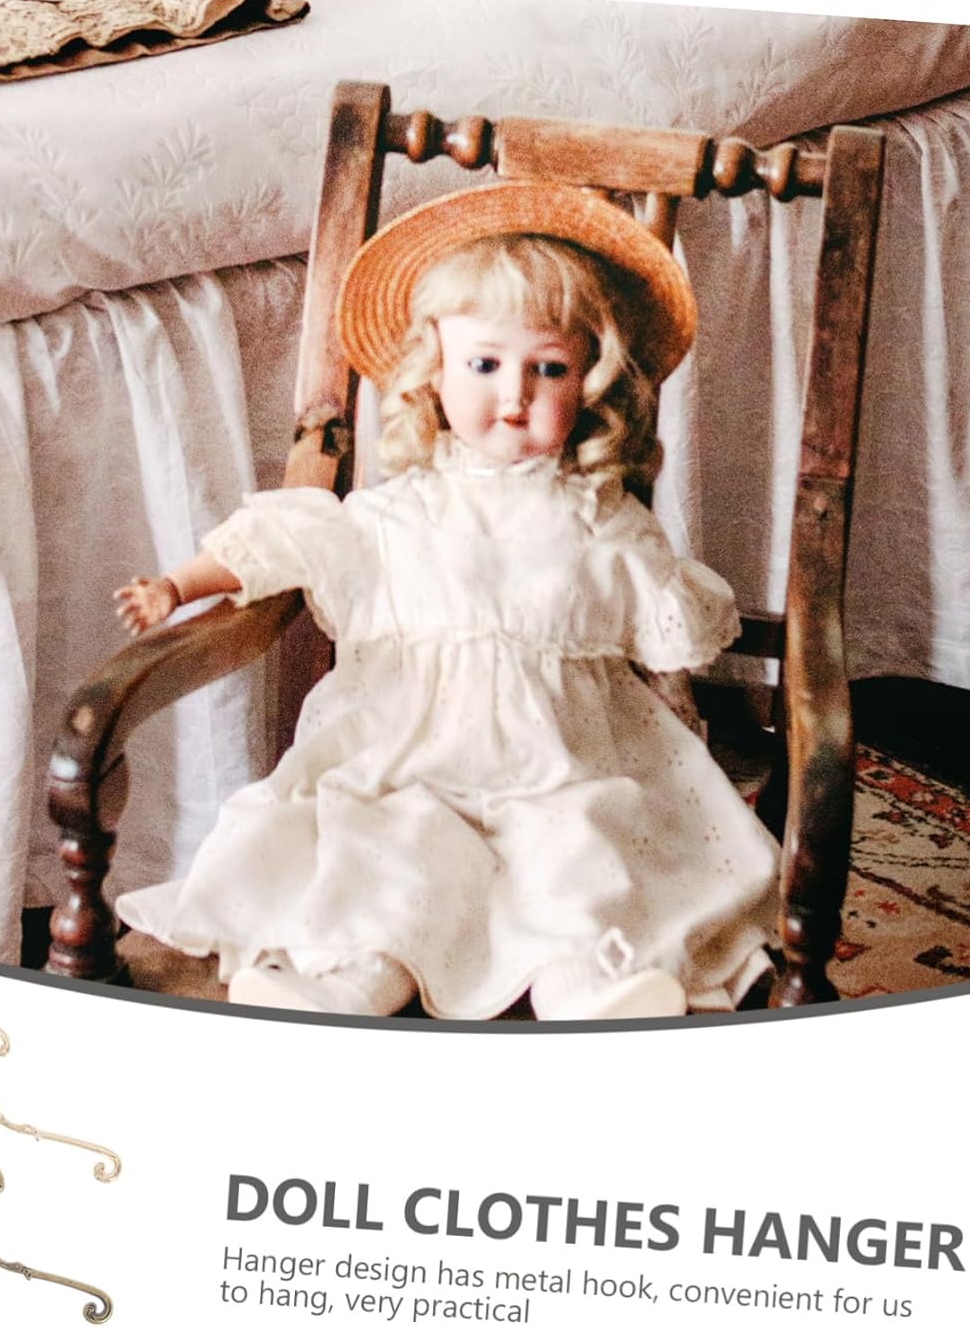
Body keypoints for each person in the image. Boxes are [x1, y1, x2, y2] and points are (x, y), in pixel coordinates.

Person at [110, 181, 779, 1021]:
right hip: (410, 764)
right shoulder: (398, 514)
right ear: (435, 371)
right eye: (485, 364)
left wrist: (671, 638)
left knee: (580, 855)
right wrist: (179, 584)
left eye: (548, 368)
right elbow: (287, 540)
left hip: (564, 764)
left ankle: (592, 991)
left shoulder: (599, 517)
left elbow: (672, 623)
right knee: (393, 855)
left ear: (588, 380)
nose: (515, 394)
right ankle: (345, 984)